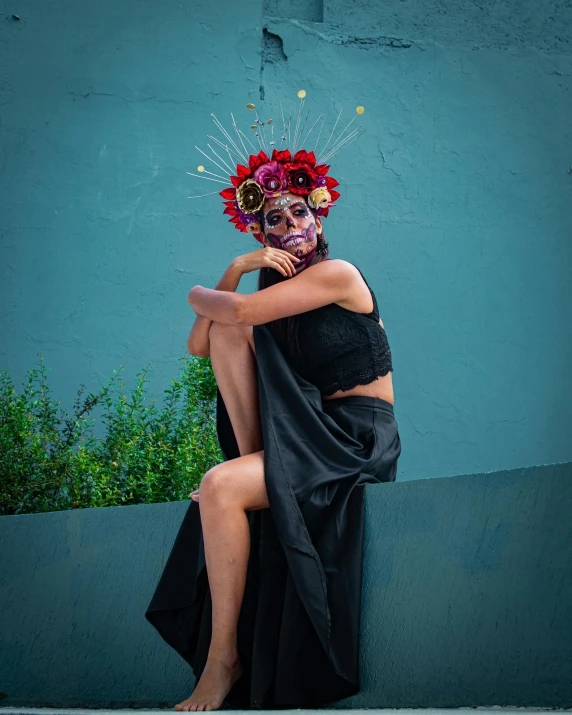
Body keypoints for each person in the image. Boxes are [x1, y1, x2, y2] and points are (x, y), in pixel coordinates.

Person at [145, 95, 402, 712]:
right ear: (260, 236)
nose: (289, 229)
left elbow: (221, 310)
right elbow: (200, 345)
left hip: (355, 439)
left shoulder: (338, 274)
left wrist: (202, 288)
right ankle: (260, 467)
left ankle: (223, 662)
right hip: (304, 434)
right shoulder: (265, 283)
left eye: (297, 214)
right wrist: (237, 267)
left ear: (320, 211)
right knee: (231, 334)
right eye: (273, 225)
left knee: (220, 485)